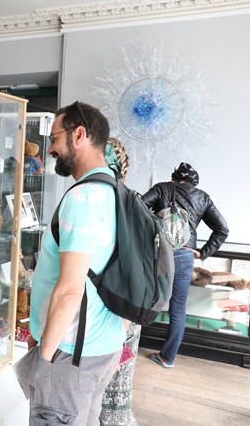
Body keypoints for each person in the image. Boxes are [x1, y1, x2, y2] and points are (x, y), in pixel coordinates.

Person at [17, 101, 125, 426]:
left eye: (54, 139)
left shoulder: (83, 198)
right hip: (104, 346)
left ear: (78, 135)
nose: (50, 149)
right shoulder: (118, 193)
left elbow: (69, 290)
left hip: (71, 355)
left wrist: (43, 359)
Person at [141, 162, 228, 368]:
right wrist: (203, 252)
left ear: (174, 178)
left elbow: (139, 208)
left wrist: (157, 225)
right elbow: (222, 229)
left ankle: (126, 347)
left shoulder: (162, 188)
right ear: (194, 183)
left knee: (142, 297)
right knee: (178, 309)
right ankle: (167, 358)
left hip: (158, 253)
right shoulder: (202, 197)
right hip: (185, 257)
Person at [99, 137, 141, 426]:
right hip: (125, 312)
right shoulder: (131, 200)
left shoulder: (109, 202)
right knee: (116, 395)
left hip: (115, 314)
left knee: (107, 395)